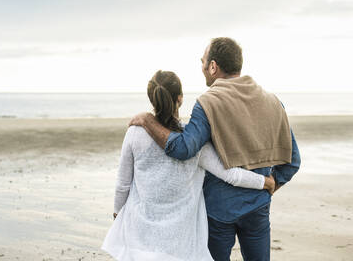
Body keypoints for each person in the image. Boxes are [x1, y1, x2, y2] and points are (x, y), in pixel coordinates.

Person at [129, 38, 301, 261]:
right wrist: (270, 186)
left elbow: (183, 149)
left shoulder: (208, 103)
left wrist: (147, 120)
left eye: (203, 61)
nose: (201, 66)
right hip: (258, 205)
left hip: (219, 210)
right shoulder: (272, 101)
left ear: (213, 66)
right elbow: (293, 161)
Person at [102, 70, 276, 261]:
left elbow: (123, 184)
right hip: (180, 241)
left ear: (152, 99)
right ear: (180, 99)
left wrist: (117, 214)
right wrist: (265, 182)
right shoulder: (194, 142)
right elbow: (231, 175)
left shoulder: (135, 133)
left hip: (139, 232)